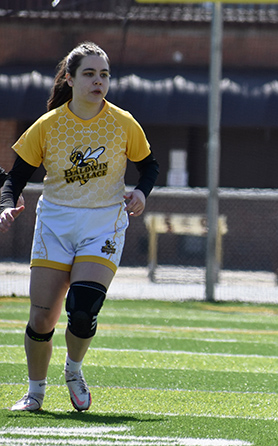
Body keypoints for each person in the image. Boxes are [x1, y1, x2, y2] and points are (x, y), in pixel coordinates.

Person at [1, 42, 159, 412]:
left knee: (83, 308)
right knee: (42, 318)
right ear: (70, 80)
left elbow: (149, 165)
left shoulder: (123, 122)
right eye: (89, 74)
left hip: (103, 224)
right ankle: (35, 392)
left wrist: (141, 192)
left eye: (104, 74)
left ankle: (73, 370)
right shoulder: (47, 126)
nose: (98, 81)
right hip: (55, 224)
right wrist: (6, 207)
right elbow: (14, 180)